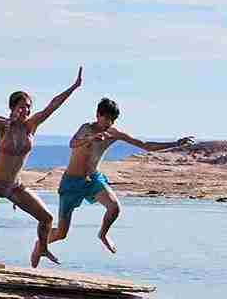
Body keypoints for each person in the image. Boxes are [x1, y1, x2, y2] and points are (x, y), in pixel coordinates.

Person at [0, 68, 82, 268]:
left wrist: (73, 87)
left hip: (14, 186)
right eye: (21, 107)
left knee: (46, 218)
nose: (25, 110)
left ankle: (41, 247)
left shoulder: (31, 126)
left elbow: (52, 106)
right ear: (12, 107)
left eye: (28, 107)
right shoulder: (4, 124)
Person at [47, 96, 194, 255]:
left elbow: (145, 145)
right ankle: (41, 242)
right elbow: (72, 143)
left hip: (93, 180)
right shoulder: (86, 128)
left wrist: (176, 143)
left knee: (114, 207)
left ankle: (102, 234)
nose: (109, 123)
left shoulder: (113, 133)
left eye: (113, 120)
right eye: (106, 118)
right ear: (98, 115)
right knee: (61, 233)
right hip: (72, 182)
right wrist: (90, 138)